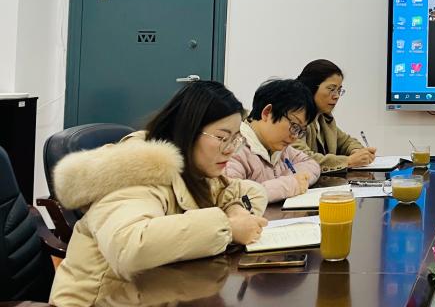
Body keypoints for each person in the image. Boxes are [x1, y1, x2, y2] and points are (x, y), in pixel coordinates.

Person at [49, 81, 269, 307]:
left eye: (235, 139)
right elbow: (129, 246)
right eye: (223, 138)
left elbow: (250, 192)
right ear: (188, 131)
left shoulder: (195, 170)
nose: (231, 149)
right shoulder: (136, 172)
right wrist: (228, 228)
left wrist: (235, 210)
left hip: (148, 294)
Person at [226, 79, 321, 202]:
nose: (295, 136)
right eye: (294, 126)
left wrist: (292, 178)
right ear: (267, 113)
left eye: (300, 131)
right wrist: (289, 184)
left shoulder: (281, 149)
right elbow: (232, 197)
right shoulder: (235, 149)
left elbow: (312, 165)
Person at [295, 59, 376, 173]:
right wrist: (348, 161)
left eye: (339, 90)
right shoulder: (296, 118)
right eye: (331, 89)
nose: (336, 96)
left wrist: (357, 151)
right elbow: (302, 158)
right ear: (310, 87)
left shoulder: (324, 118)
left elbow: (346, 142)